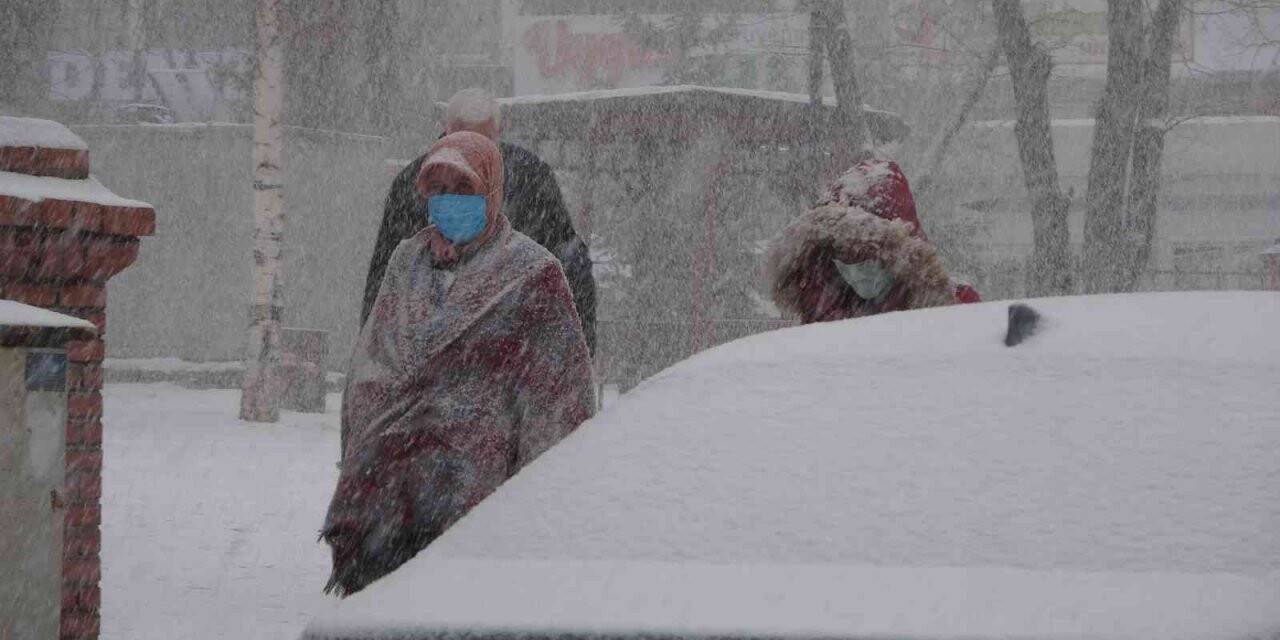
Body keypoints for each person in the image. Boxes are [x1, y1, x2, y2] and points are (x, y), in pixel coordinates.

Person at [322, 132, 596, 596]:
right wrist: (365, 446)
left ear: (491, 193)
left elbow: (559, 404)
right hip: (385, 497)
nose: (449, 202)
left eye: (463, 189)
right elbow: (372, 361)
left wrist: (537, 507)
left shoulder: (533, 275)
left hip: (476, 504)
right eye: (439, 190)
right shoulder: (407, 261)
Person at [362, 88, 598, 354]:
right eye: (463, 138)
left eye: (483, 141)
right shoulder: (413, 184)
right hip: (430, 356)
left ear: (499, 133)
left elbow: (567, 260)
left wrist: (577, 351)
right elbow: (384, 280)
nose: (472, 152)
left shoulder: (530, 179)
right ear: (446, 130)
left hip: (513, 353)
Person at [767, 158, 981, 324]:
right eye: (843, 257)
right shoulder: (821, 315)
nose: (857, 270)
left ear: (903, 256)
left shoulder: (958, 307)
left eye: (869, 258)